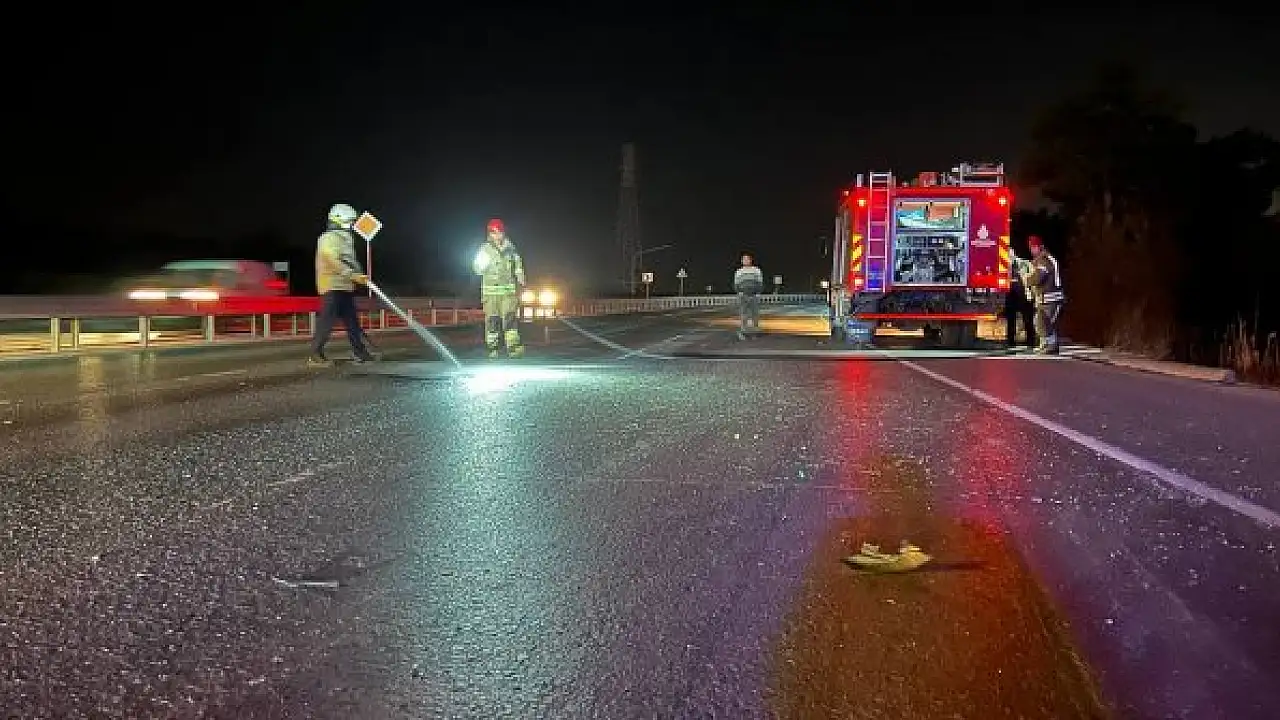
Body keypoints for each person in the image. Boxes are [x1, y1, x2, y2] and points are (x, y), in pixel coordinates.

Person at [308, 203, 375, 366]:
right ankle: (315, 355)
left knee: (352, 323)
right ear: (338, 219)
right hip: (332, 285)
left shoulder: (345, 238)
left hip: (345, 286)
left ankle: (360, 352)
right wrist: (352, 275)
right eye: (349, 220)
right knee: (327, 322)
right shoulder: (328, 238)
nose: (351, 224)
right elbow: (332, 261)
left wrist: (359, 275)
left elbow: (350, 261)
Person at [472, 218, 526, 359]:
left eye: (499, 232)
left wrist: (521, 278)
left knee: (510, 319)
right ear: (489, 234)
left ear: (503, 232)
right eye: (493, 232)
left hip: (508, 293)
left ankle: (513, 348)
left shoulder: (511, 248)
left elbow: (518, 266)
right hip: (490, 293)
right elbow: (477, 269)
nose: (496, 235)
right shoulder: (485, 249)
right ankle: (493, 349)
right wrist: (482, 264)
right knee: (493, 321)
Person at [1025, 235, 1065, 354]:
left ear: (1039, 247)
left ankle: (1051, 346)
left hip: (1051, 299)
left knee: (1043, 322)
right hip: (1047, 299)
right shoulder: (1043, 259)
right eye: (1031, 248)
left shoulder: (1043, 260)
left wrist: (1027, 280)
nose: (1032, 250)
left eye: (1033, 247)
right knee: (1040, 321)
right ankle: (1046, 344)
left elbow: (1038, 277)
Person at [1005, 256, 1038, 350]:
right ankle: (1011, 342)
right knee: (1011, 320)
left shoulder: (1025, 264)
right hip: (1011, 296)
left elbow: (1034, 277)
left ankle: (1031, 342)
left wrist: (1034, 295)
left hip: (1025, 296)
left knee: (1028, 320)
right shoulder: (1004, 266)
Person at [733, 253, 764, 338]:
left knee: (755, 314)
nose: (746, 261)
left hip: (754, 295)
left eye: (747, 259)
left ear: (750, 260)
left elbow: (760, 283)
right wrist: (739, 292)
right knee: (743, 314)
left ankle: (756, 331)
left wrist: (758, 293)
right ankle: (744, 331)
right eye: (744, 259)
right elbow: (736, 284)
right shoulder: (739, 272)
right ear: (742, 261)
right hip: (743, 296)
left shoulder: (756, 270)